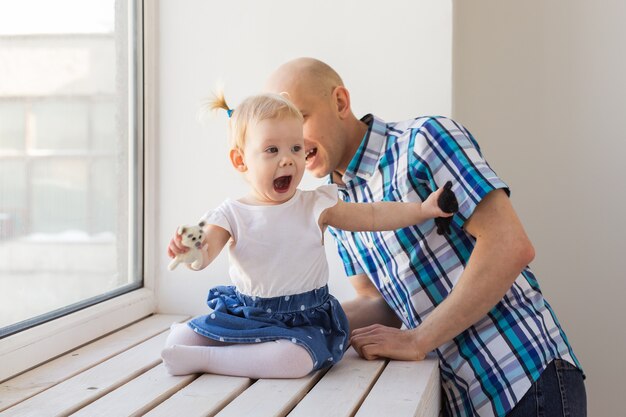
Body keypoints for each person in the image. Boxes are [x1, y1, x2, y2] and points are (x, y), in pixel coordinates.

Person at [264, 58, 586, 417]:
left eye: (301, 119)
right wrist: (293, 322)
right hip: (460, 399)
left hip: (524, 380)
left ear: (340, 102)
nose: (291, 143)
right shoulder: (335, 203)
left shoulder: (423, 141)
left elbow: (509, 246)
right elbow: (378, 303)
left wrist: (419, 339)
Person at [162, 92, 456, 379]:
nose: (288, 160)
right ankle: (216, 350)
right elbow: (205, 251)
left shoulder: (315, 204)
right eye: (272, 150)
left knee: (295, 361)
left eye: (296, 148)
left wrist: (421, 209)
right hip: (248, 314)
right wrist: (191, 253)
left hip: (303, 320)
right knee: (185, 334)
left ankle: (207, 360)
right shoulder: (230, 213)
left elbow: (373, 215)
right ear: (240, 161)